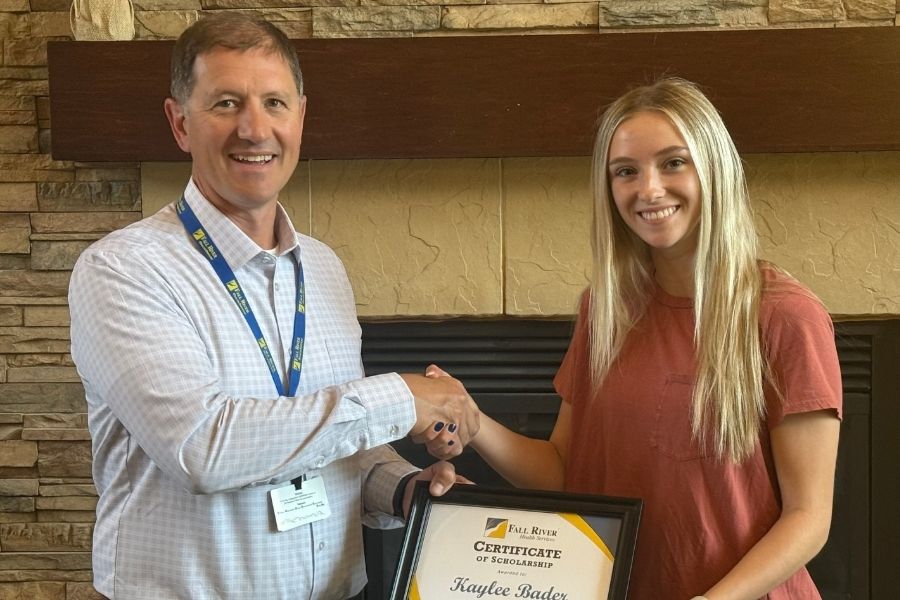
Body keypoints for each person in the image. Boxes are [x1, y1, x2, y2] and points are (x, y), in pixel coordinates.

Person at [68, 13, 477, 600]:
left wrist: (403, 487)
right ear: (179, 123)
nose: (255, 129)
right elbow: (202, 448)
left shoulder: (324, 268)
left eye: (275, 103)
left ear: (302, 118)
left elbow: (335, 442)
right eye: (227, 103)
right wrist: (402, 397)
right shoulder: (124, 270)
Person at [438, 78, 842, 599]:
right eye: (626, 172)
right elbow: (567, 473)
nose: (648, 190)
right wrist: (470, 420)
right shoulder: (604, 309)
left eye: (674, 162)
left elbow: (809, 517)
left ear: (713, 169)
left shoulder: (787, 315)